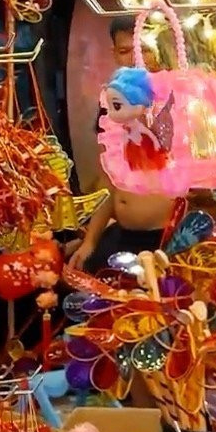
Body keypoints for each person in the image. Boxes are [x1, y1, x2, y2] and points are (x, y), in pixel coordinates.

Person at [68, 17, 180, 270]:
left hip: (169, 240)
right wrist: (90, 240)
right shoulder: (113, 104)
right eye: (125, 50)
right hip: (123, 236)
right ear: (115, 54)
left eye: (145, 49)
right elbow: (109, 179)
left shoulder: (178, 101)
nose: (136, 58)